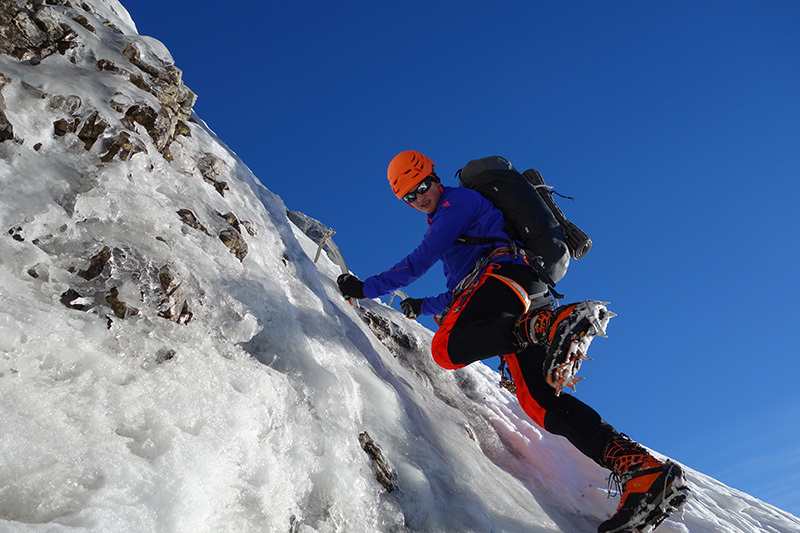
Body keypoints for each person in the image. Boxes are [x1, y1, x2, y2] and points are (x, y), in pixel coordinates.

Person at [337, 150, 689, 532]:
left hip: (506, 282)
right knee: (540, 403)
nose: (420, 197)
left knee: (445, 348)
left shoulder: (457, 203)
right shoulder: (452, 220)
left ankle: (544, 327)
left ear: (434, 176)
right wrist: (421, 306)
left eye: (422, 186)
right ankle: (643, 473)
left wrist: (364, 287)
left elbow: (419, 262)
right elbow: (460, 291)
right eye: (409, 196)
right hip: (515, 291)